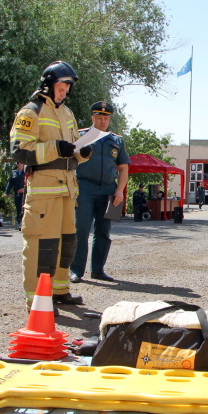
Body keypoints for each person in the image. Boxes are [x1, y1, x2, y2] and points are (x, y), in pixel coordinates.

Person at [10, 60, 90, 310]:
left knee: (66, 244)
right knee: (42, 246)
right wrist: (56, 148)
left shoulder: (67, 113)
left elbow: (73, 146)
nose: (65, 90)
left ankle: (60, 290)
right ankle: (38, 300)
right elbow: (19, 151)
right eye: (62, 84)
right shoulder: (30, 111)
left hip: (67, 190)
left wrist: (83, 151)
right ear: (48, 83)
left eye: (68, 86)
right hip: (43, 191)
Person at [70, 101, 130, 283]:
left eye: (106, 118)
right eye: (99, 117)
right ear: (92, 118)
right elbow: (70, 162)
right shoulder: (81, 136)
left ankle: (98, 270)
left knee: (103, 231)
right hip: (85, 188)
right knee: (81, 229)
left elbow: (123, 168)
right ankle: (76, 271)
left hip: (108, 190)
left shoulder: (116, 140)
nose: (103, 121)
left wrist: (120, 191)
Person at [4, 162, 26, 230]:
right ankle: (19, 224)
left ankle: (25, 224)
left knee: (24, 208)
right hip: (17, 194)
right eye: (18, 163)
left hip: (24, 194)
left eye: (20, 163)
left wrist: (24, 189)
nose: (19, 164)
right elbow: (10, 183)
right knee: (18, 209)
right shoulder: (14, 173)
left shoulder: (26, 172)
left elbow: (29, 182)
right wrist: (6, 193)